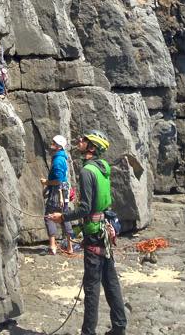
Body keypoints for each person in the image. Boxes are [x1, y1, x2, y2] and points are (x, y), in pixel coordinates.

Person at [47, 130, 128, 335]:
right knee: (110, 281)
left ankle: (88, 332)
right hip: (105, 231)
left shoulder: (87, 172)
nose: (79, 141)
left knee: (91, 287)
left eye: (83, 140)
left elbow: (85, 208)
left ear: (91, 147)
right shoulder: (104, 168)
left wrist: (62, 218)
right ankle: (119, 327)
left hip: (94, 233)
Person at [40, 135, 76, 255]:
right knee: (64, 216)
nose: (52, 144)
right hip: (63, 190)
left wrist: (46, 182)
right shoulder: (62, 158)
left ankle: (52, 247)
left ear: (59, 146)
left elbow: (58, 180)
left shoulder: (57, 160)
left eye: (54, 143)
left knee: (49, 216)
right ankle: (70, 247)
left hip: (58, 191)